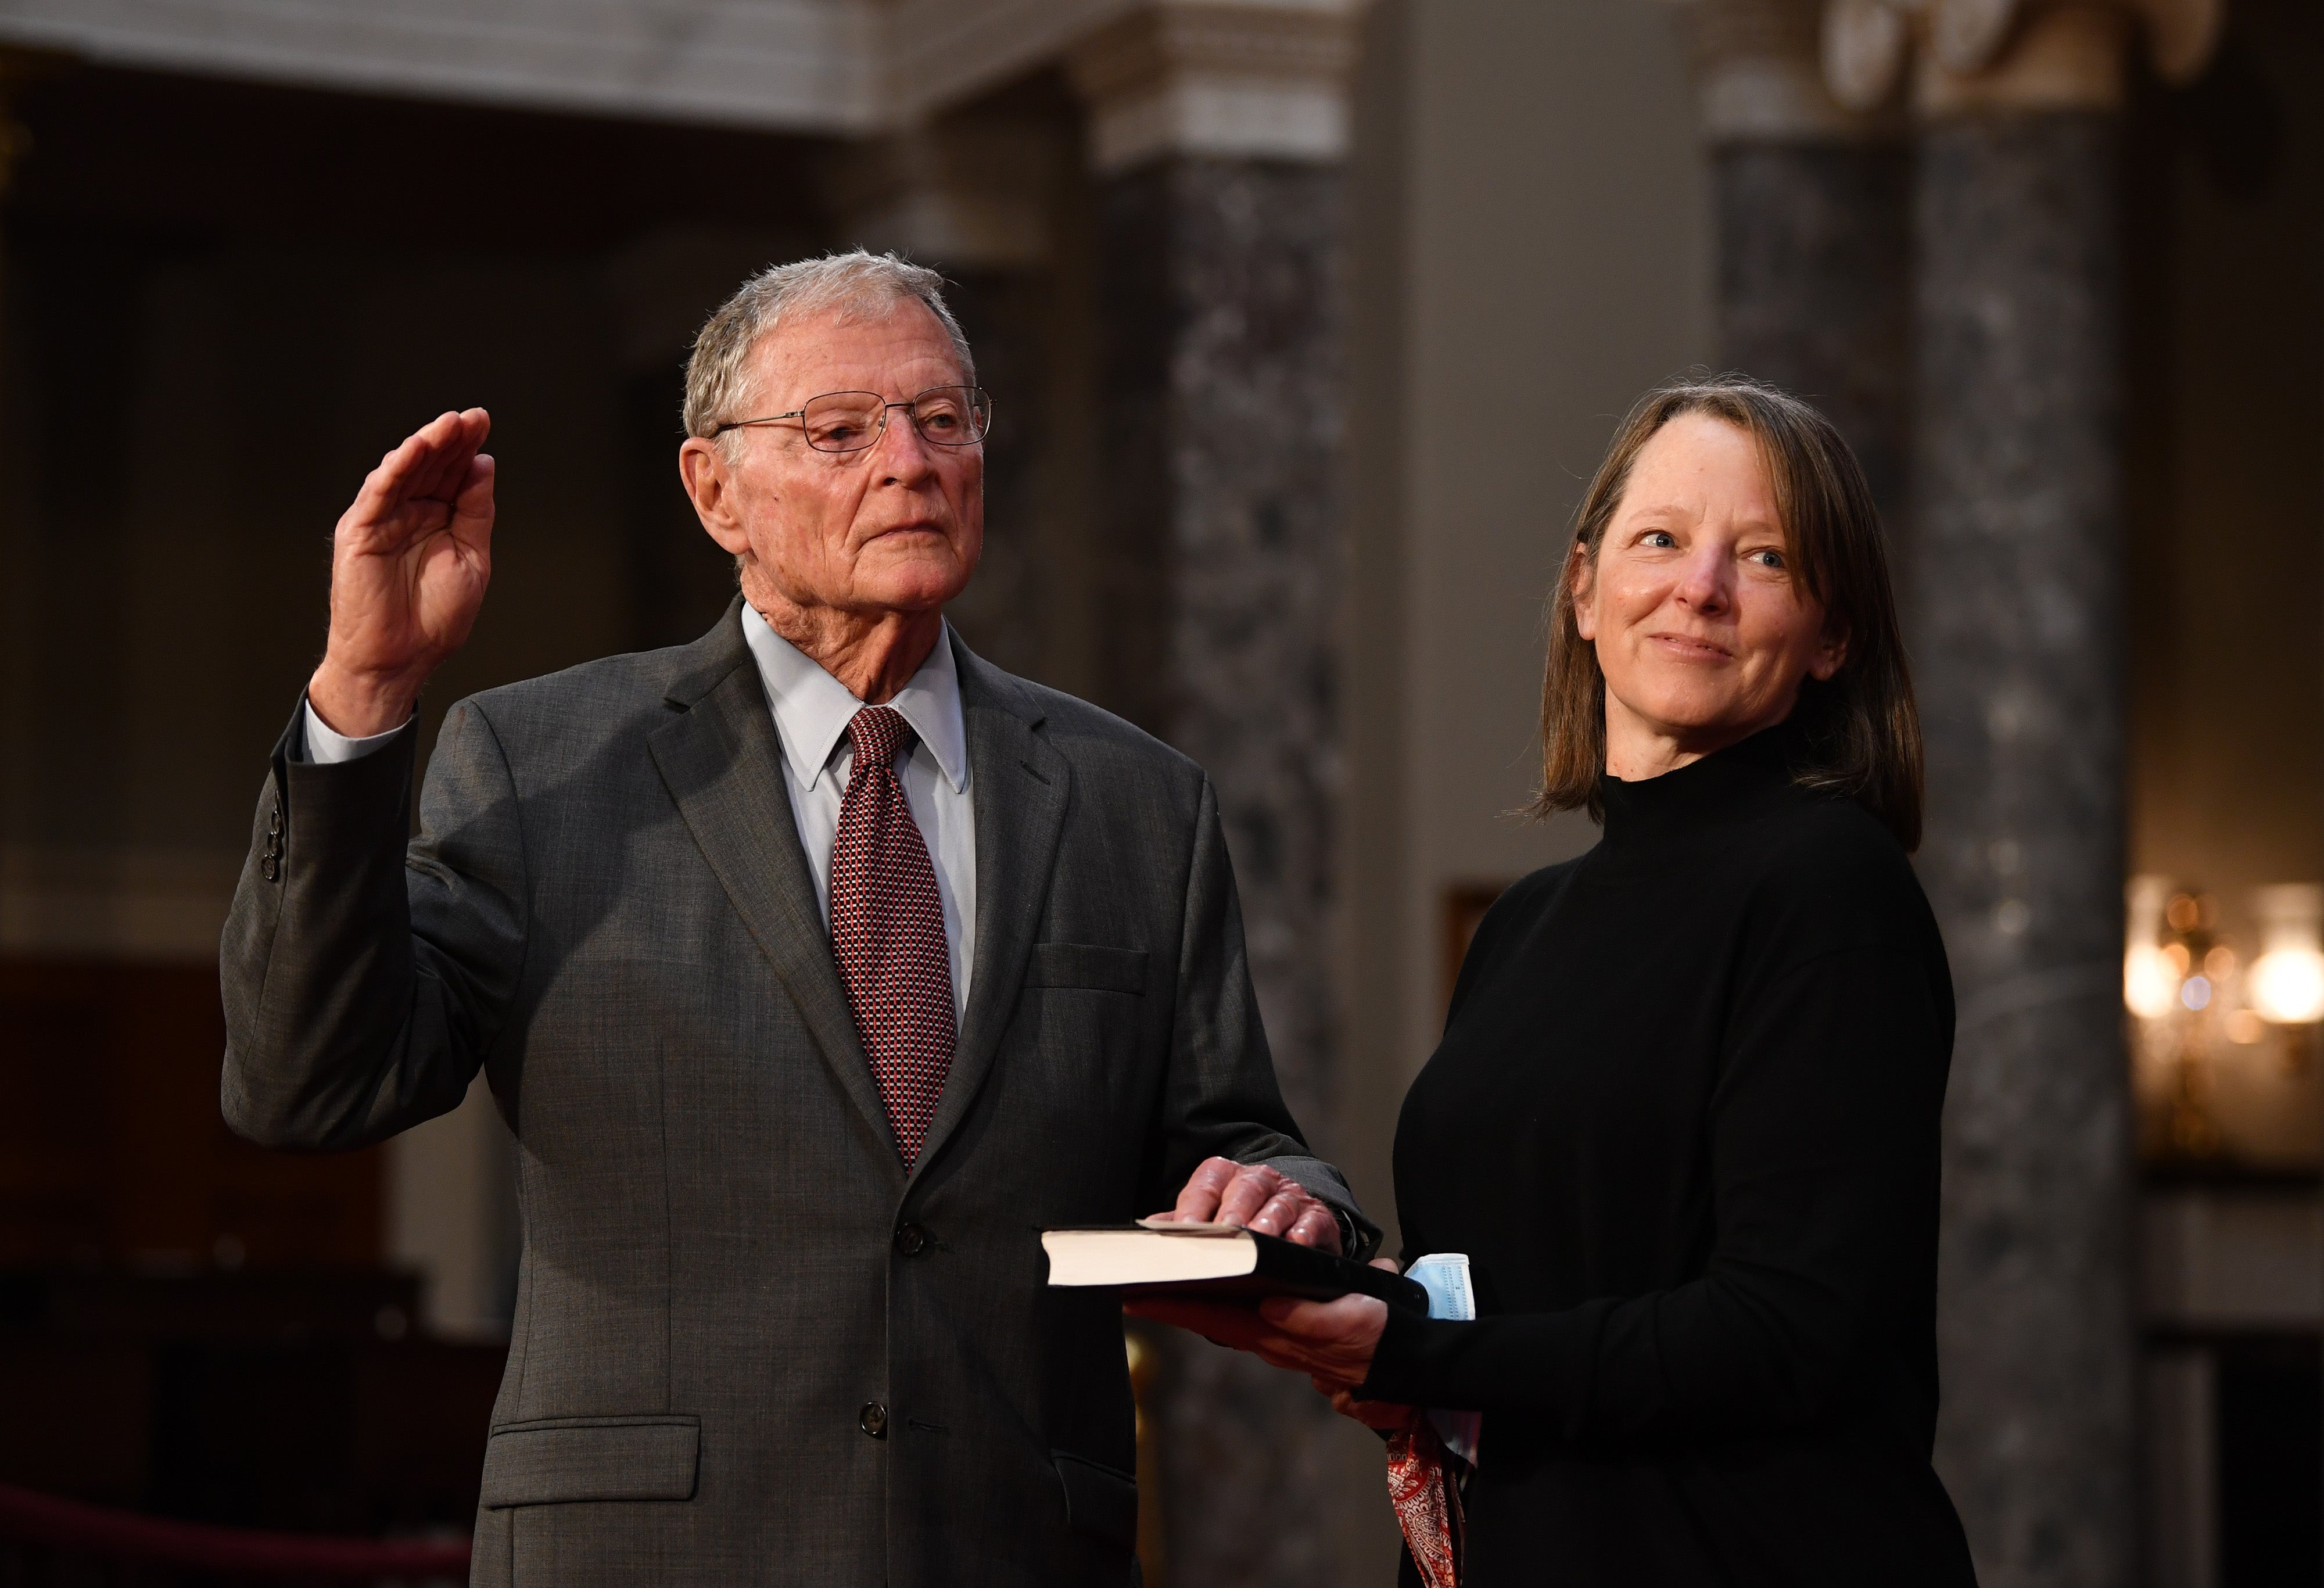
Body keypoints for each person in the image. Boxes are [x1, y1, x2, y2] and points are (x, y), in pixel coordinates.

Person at [217, 250, 1373, 1587]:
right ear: (716, 492)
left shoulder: (1134, 799)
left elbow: (1231, 1143)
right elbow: (306, 1082)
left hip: (1007, 1542)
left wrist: (1289, 1202)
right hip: (650, 1550)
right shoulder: (543, 763)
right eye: (840, 429)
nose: (910, 460)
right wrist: (367, 685)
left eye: (943, 418)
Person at [1138, 374, 1980, 1585]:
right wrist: (1327, 1285)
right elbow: (1524, 1295)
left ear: (1830, 637)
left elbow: (1788, 1332)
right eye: (1659, 540)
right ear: (1583, 590)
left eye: (1762, 556)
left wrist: (1415, 1353)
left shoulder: (1828, 884)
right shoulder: (1525, 924)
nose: (1697, 586)